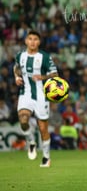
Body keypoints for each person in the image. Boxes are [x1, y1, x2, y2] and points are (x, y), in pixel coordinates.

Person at [14, 30, 59, 167]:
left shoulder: (44, 57)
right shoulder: (20, 56)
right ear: (26, 41)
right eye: (30, 39)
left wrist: (43, 77)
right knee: (23, 118)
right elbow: (16, 67)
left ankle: (46, 158)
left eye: (35, 39)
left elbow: (55, 74)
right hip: (25, 93)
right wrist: (17, 77)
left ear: (39, 42)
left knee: (43, 128)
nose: (32, 42)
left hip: (41, 95)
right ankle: (31, 141)